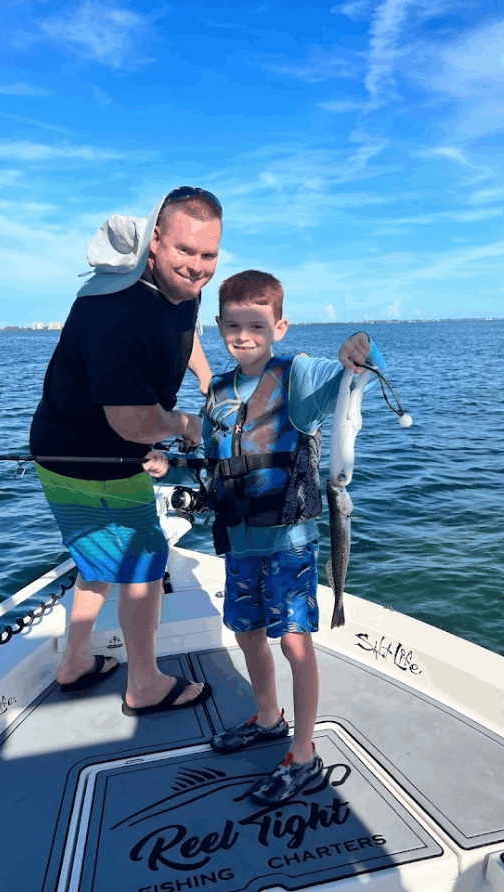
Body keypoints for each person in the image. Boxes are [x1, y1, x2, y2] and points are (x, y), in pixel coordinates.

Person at [144, 269, 385, 803]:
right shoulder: (220, 391)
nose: (244, 335)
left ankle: (303, 753)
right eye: (233, 325)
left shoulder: (299, 378)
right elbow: (210, 463)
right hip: (237, 540)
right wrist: (171, 470)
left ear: (280, 325)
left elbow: (363, 368)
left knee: (295, 643)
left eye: (257, 324)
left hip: (290, 543)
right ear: (219, 326)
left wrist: (360, 348)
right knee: (249, 633)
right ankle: (269, 717)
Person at [29, 186, 222, 715]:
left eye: (209, 255)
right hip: (98, 457)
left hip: (56, 451)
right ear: (155, 241)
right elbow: (134, 423)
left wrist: (206, 380)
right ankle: (144, 684)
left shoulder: (183, 288)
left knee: (95, 561)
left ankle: (73, 663)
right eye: (185, 251)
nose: (197, 268)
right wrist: (191, 424)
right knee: (144, 560)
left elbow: (187, 325)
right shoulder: (122, 311)